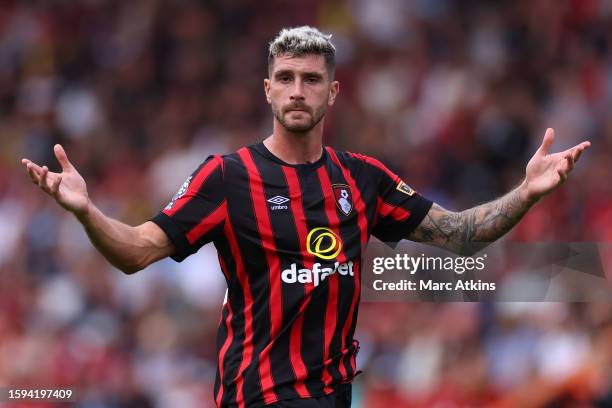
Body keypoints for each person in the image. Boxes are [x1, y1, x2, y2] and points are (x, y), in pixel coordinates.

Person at [21, 26, 590, 408]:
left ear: (333, 92)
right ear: (268, 90)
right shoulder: (226, 177)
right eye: (287, 79)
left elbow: (460, 235)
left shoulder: (362, 178)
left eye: (312, 79)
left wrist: (526, 192)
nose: (298, 91)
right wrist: (87, 211)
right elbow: (137, 251)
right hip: (254, 397)